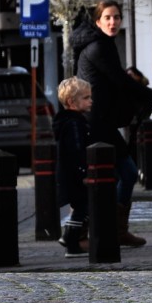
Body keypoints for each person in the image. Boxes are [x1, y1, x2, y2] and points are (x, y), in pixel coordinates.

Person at [70, 0, 152, 249]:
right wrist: (151, 93)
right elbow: (120, 80)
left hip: (101, 121)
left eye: (117, 17)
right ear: (98, 21)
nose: (113, 22)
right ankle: (94, 232)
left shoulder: (101, 43)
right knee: (124, 173)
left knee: (117, 174)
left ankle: (109, 230)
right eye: (108, 17)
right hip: (96, 122)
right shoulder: (99, 46)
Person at [54, 77, 93, 259]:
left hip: (71, 174)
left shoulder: (70, 121)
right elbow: (77, 149)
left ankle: (69, 239)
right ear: (71, 102)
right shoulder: (74, 123)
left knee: (81, 207)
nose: (90, 101)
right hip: (75, 175)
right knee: (83, 206)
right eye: (86, 98)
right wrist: (83, 173)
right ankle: (71, 241)